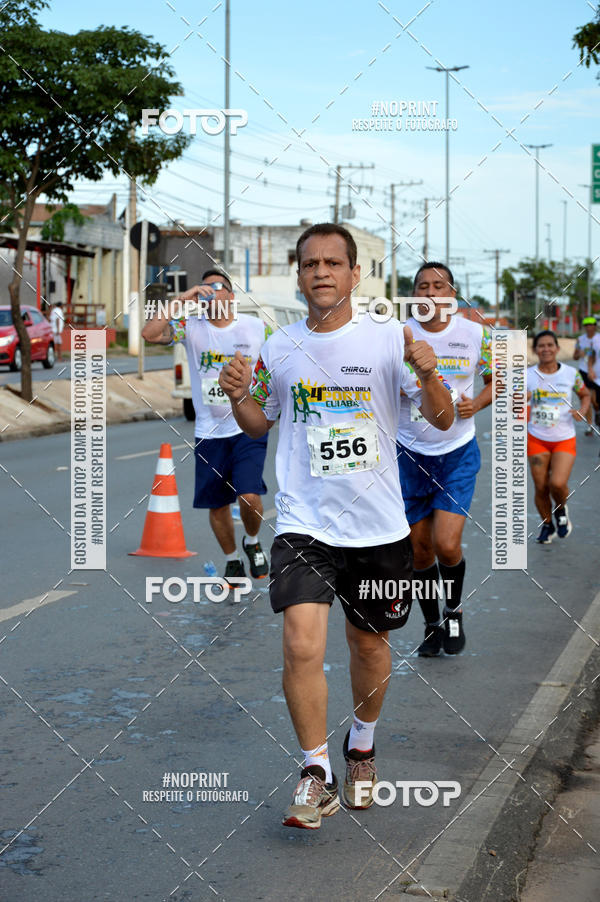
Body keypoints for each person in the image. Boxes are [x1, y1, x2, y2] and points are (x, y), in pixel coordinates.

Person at [218, 223, 454, 829]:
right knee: (300, 643)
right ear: (299, 277)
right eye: (309, 264)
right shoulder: (278, 346)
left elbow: (442, 416)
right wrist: (239, 396)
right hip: (304, 523)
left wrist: (429, 374)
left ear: (354, 274)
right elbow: (256, 425)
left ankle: (363, 744)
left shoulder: (387, 338)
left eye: (333, 262)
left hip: (378, 527)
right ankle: (315, 771)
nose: (321, 271)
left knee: (369, 646)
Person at [141, 270, 271, 584]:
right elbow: (150, 333)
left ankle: (251, 541)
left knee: (249, 496)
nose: (211, 293)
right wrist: (181, 299)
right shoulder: (191, 326)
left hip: (246, 428)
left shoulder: (255, 328)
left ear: (231, 297)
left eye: (218, 287)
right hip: (209, 432)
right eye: (204, 288)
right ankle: (231, 560)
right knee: (216, 504)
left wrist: (265, 404)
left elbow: (275, 365)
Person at [395, 263, 492, 657]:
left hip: (456, 452)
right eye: (423, 287)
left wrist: (476, 404)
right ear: (414, 295)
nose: (431, 293)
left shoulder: (474, 333)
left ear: (453, 294)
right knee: (419, 550)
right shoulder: (398, 335)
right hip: (409, 453)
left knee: (447, 544)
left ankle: (454, 611)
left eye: (439, 286)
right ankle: (432, 623)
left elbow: (500, 378)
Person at [528, 330, 590, 543]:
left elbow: (585, 394)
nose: (545, 349)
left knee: (557, 483)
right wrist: (521, 401)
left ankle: (561, 510)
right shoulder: (527, 376)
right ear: (535, 350)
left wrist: (581, 409)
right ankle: (546, 525)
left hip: (564, 437)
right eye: (541, 346)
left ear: (556, 348)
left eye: (549, 345)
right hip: (536, 438)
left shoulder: (571, 374)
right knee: (540, 487)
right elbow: (514, 405)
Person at [573, 316, 600, 435]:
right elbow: (575, 356)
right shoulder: (580, 340)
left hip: (598, 372)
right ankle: (590, 426)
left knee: (595, 402)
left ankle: (597, 413)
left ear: (595, 326)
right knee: (587, 398)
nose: (589, 327)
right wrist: (579, 353)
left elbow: (593, 355)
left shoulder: (598, 338)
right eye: (586, 325)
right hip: (584, 372)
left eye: (591, 324)